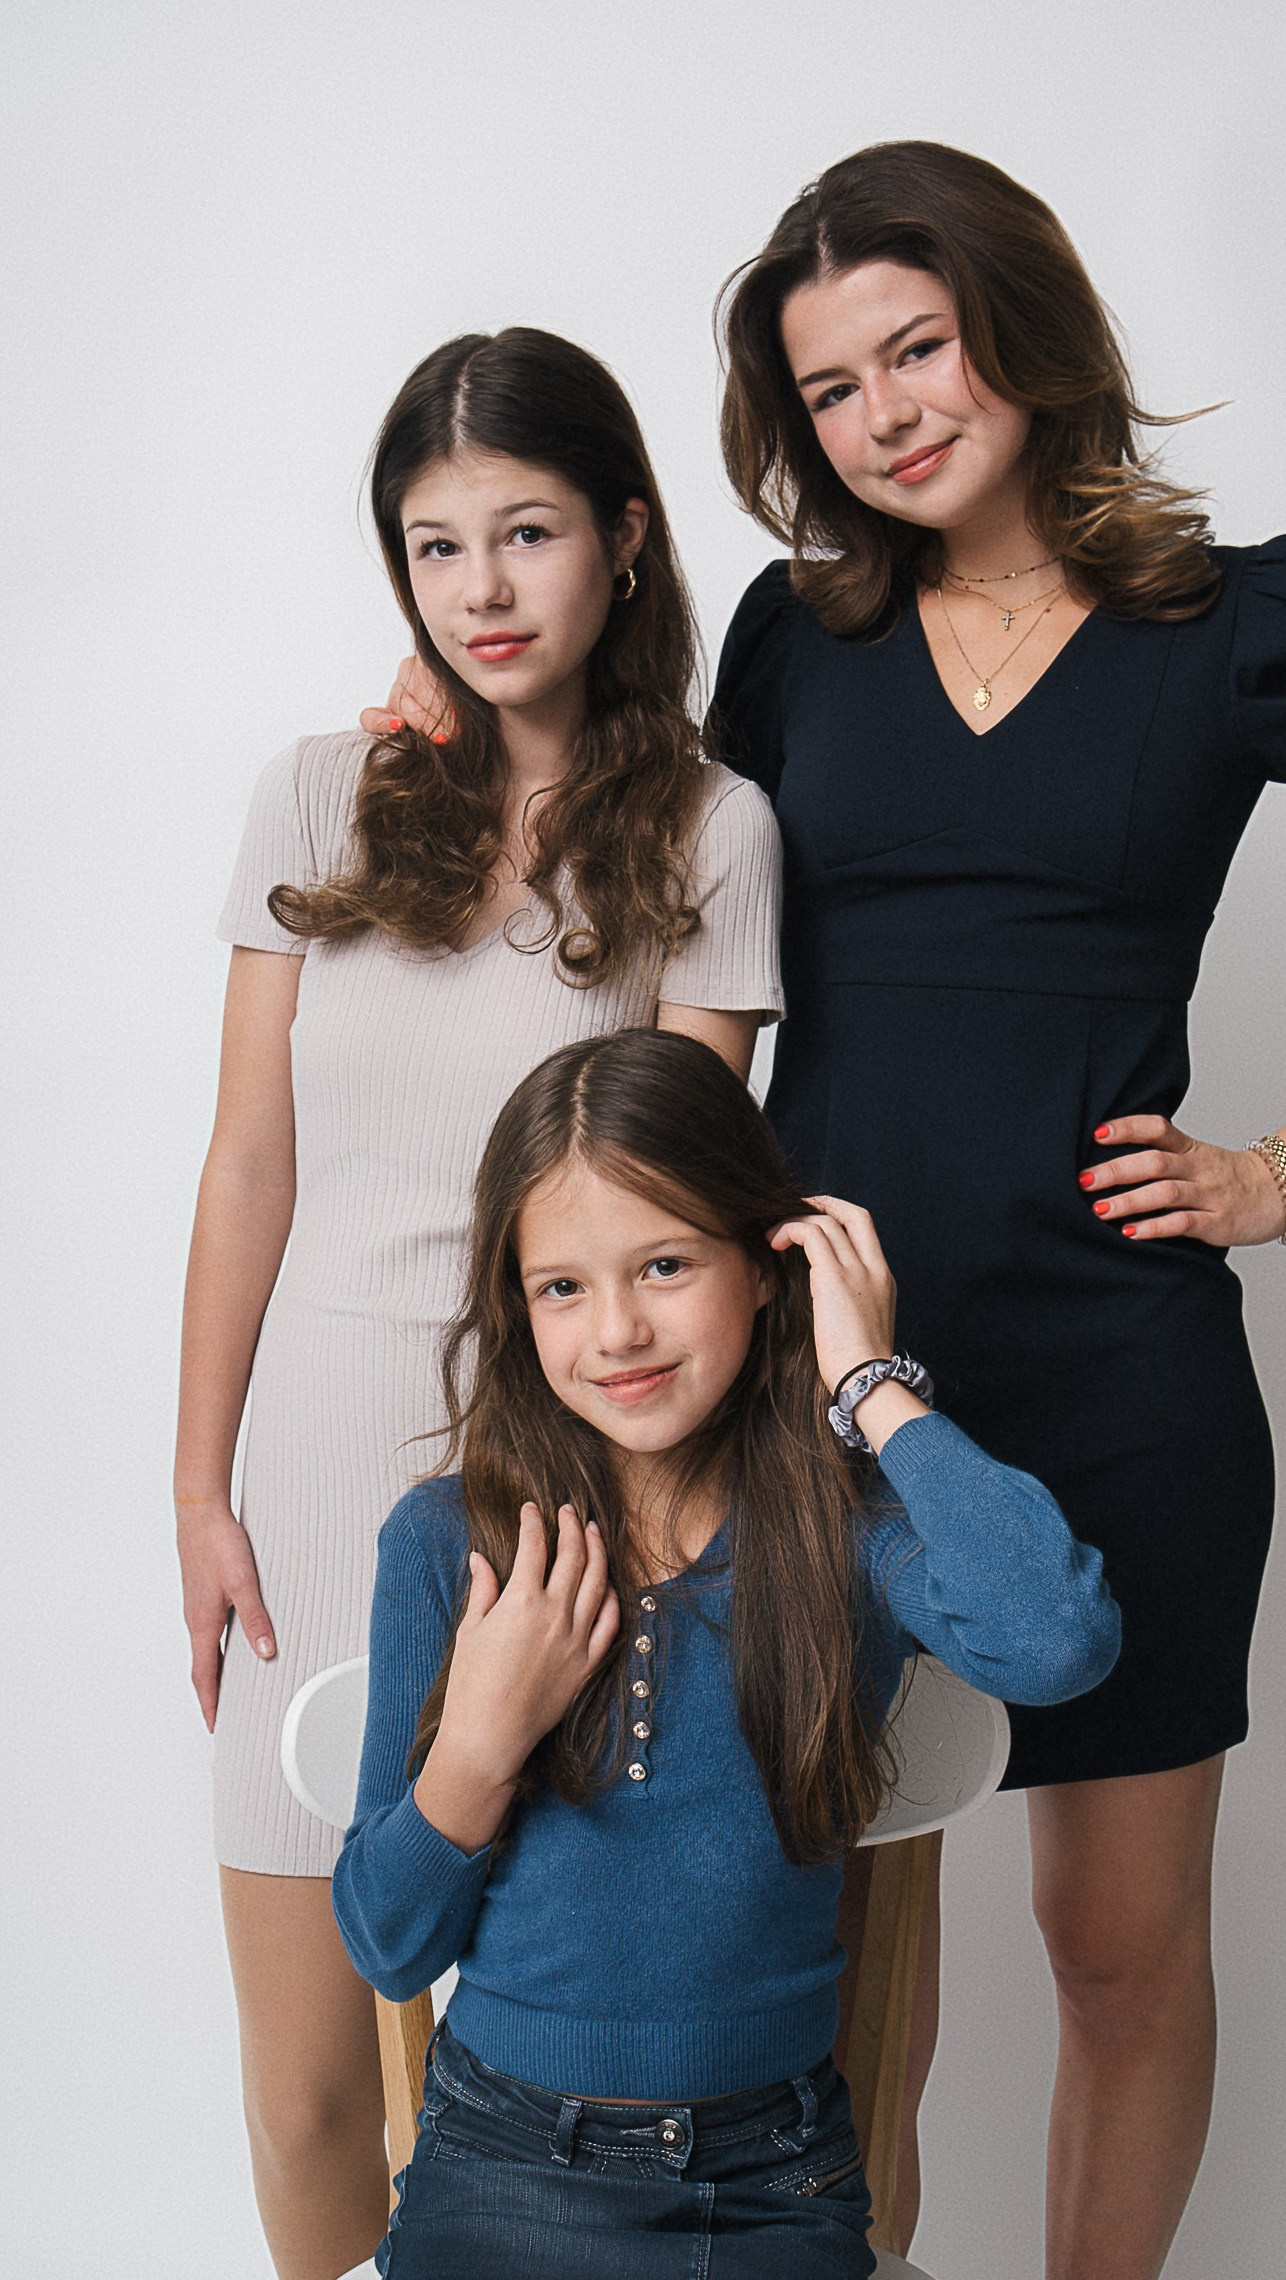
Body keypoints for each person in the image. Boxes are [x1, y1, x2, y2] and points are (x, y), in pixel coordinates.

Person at [359, 142, 1286, 2277]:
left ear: (1021, 326)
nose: (885, 411)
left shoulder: (1228, 624)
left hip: (1109, 1369)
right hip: (794, 1380)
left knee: (1110, 1948)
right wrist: (460, 711)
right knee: (834, 1972)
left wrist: (1278, 1175)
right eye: (831, 388)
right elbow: (652, 848)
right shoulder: (795, 634)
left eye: (913, 346)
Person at [174, 329, 784, 2279]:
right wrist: (198, 1487)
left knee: (517, 2074)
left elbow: (680, 1204)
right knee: (304, 2087)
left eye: (524, 533)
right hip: (310, 1451)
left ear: (620, 536)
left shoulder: (712, 833)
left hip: (554, 1486)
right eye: (434, 549)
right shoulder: (312, 794)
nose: (483, 591)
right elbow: (248, 1164)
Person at [332, 1025, 1121, 2279]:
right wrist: (480, 1743)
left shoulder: (842, 1530)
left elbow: (1058, 1636)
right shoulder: (450, 1542)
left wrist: (868, 1381)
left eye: (663, 1265)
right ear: (514, 1302)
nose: (617, 1332)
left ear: (769, 1266)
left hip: (772, 2177)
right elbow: (386, 1942)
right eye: (562, 1288)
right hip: (501, 2162)